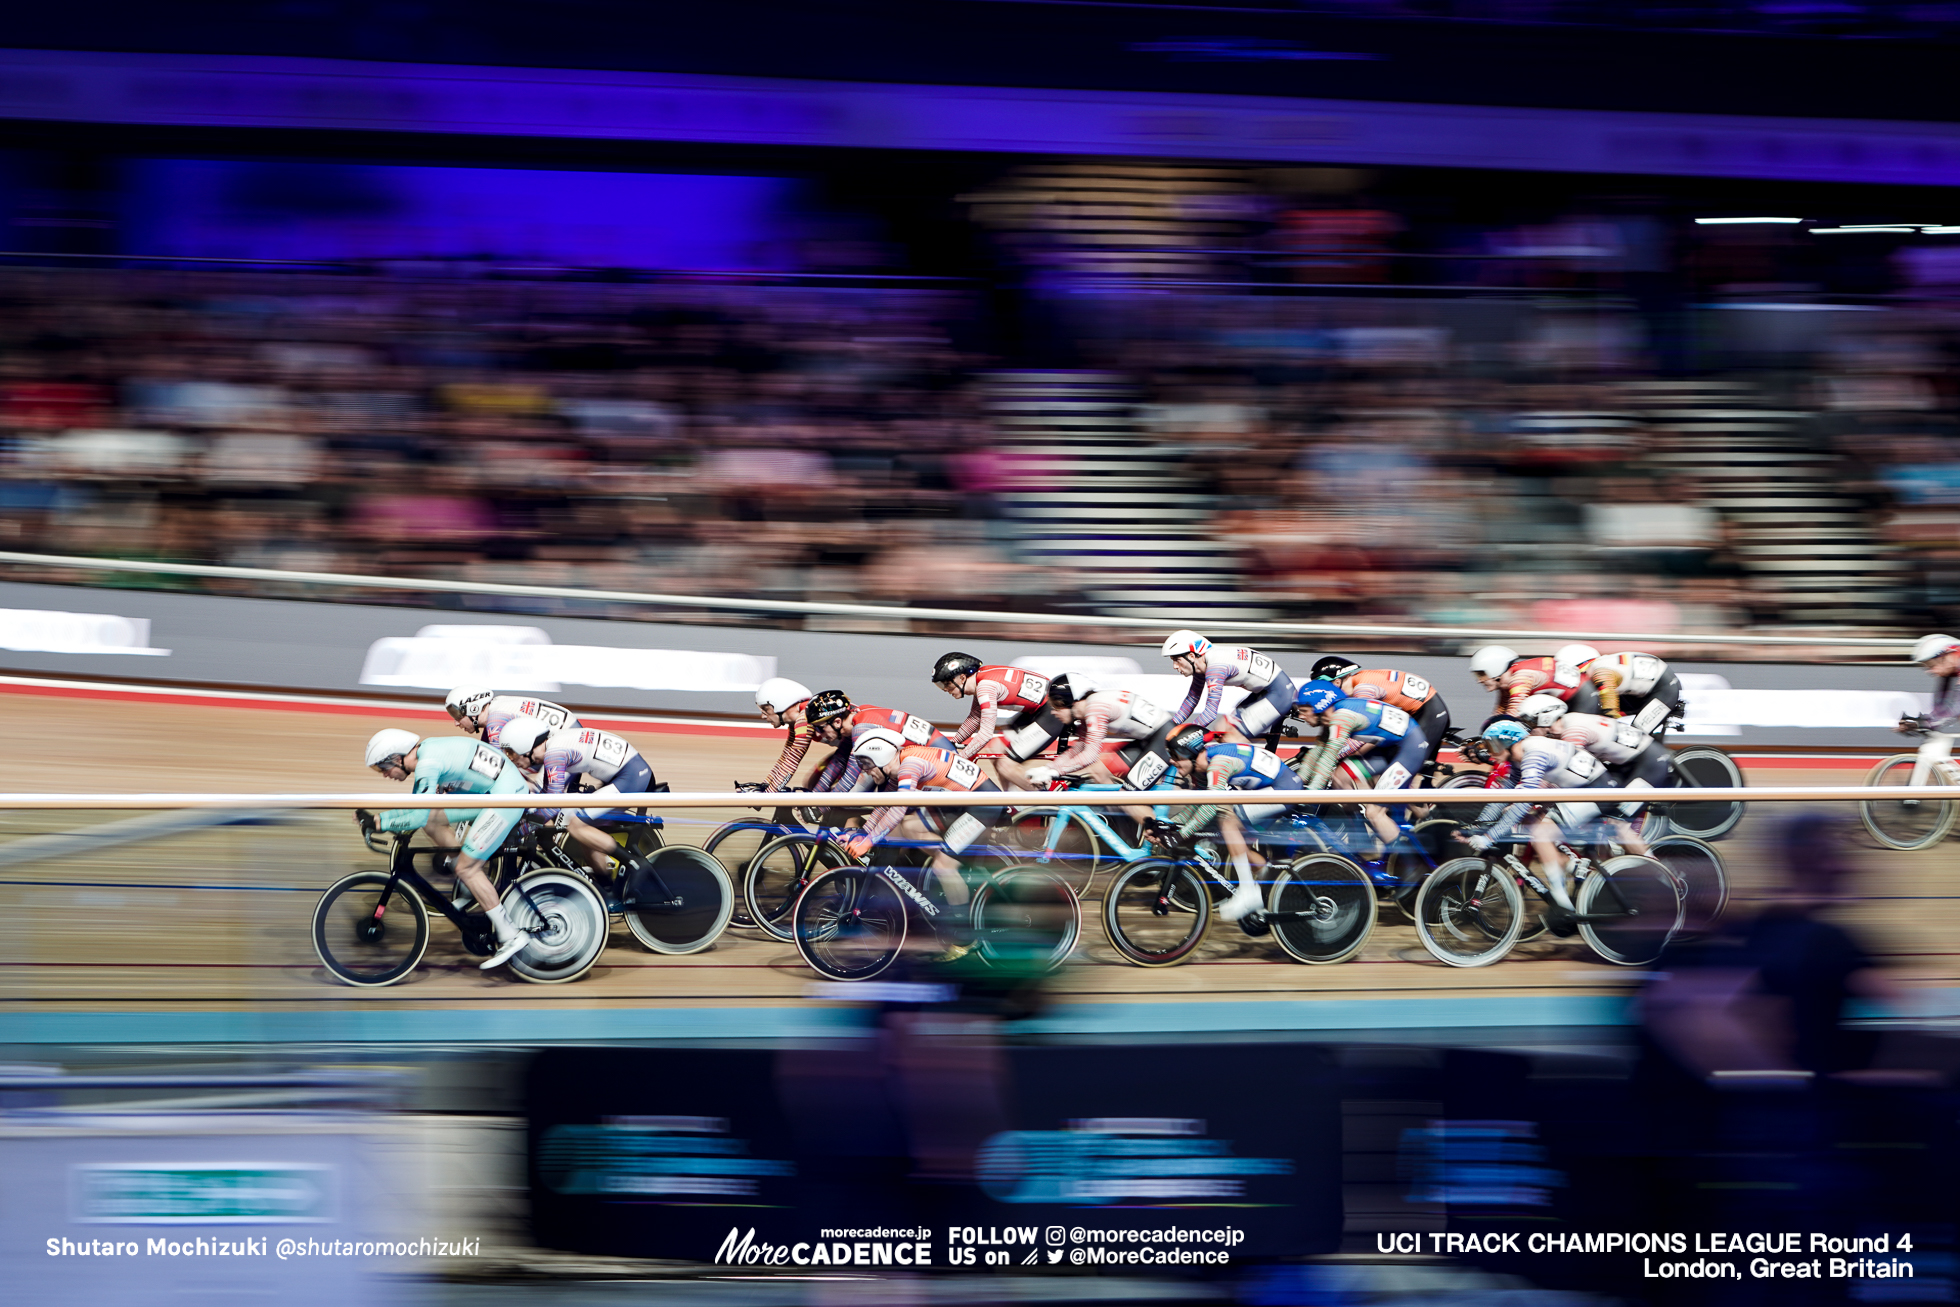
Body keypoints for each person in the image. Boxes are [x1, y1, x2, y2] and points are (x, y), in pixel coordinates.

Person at [358, 727, 534, 971]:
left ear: (397, 757)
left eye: (383, 768)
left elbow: (417, 815)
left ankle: (511, 935)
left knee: (467, 868)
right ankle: (472, 886)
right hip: (494, 792)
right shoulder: (428, 754)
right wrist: (380, 819)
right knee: (433, 822)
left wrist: (381, 822)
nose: (384, 775)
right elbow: (420, 811)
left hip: (506, 798)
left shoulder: (428, 763)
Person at [842, 727, 1008, 927]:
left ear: (879, 758)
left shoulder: (909, 766)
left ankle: (963, 933)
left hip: (982, 805)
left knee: (943, 866)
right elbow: (885, 805)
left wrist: (869, 841)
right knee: (909, 826)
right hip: (958, 803)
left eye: (866, 764)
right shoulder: (899, 763)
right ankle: (953, 864)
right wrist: (863, 834)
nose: (864, 771)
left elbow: (898, 808)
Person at [1460, 716, 1614, 922]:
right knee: (1531, 822)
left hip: (1597, 792)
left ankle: (1563, 904)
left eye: (1492, 745)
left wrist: (1489, 838)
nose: (1489, 751)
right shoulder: (1518, 757)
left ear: (1507, 742)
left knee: (1540, 832)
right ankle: (1568, 864)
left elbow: (1523, 800)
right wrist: (1478, 826)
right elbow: (1502, 797)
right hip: (1580, 791)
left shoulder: (1533, 753)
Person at [494, 715, 664, 898]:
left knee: (575, 825)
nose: (510, 758)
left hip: (630, 777)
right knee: (584, 833)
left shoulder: (555, 754)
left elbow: (551, 806)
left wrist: (521, 830)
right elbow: (545, 794)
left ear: (524, 745)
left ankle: (636, 865)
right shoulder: (554, 748)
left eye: (510, 752)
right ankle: (606, 889)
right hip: (625, 774)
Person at [1158, 725, 1307, 923]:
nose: (1171, 760)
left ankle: (1248, 892)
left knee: (1226, 818)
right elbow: (1197, 806)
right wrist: (1170, 825)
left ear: (1192, 753)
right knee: (1230, 832)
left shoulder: (1218, 765)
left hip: (1285, 789)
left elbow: (1210, 808)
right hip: (1275, 788)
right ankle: (1266, 877)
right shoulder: (1203, 768)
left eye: (1175, 756)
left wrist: (1181, 834)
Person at [1291, 680, 1430, 862]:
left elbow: (1328, 757)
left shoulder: (1342, 717)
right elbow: (1315, 755)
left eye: (1303, 710)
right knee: (1339, 778)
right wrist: (1295, 783)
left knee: (1374, 812)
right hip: (1390, 748)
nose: (1301, 716)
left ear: (1319, 705)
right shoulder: (1331, 717)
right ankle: (1365, 844)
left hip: (1409, 747)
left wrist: (1310, 793)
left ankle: (1411, 866)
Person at [1514, 693, 1671, 854]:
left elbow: (1571, 773)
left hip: (1649, 765)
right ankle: (1607, 872)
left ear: (1544, 719)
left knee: (1617, 825)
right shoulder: (1569, 721)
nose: (1528, 730)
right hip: (1630, 764)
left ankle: (1659, 872)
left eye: (1529, 723)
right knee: (1599, 820)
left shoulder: (1573, 731)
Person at [1005, 675, 1173, 813]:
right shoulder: (1086, 710)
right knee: (1100, 773)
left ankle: (1153, 834)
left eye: (1057, 705)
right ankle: (1120, 824)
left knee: (1126, 798)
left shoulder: (1095, 707)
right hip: (1148, 739)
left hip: (1163, 739)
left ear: (1072, 702)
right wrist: (1048, 769)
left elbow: (1090, 755)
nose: (1054, 712)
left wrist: (1055, 772)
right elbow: (1078, 748)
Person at [1313, 655, 1452, 770]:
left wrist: (1330, 755)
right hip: (1417, 709)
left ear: (1337, 682)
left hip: (1430, 712)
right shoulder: (1359, 681)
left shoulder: (1363, 690)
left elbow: (1360, 738)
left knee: (1397, 762)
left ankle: (1412, 801)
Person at [804, 690, 956, 793]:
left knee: (864, 794)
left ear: (836, 722)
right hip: (930, 760)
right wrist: (817, 796)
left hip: (938, 768)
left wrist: (820, 806)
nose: (819, 734)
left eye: (819, 728)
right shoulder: (857, 718)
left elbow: (851, 776)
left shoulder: (862, 728)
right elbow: (838, 761)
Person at [1161, 629, 1296, 744]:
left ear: (1191, 656)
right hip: (1264, 691)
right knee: (1223, 730)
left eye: (1177, 660)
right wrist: (1171, 726)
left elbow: (1210, 713)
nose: (1175, 666)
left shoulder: (1215, 667)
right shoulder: (1201, 664)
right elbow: (1192, 700)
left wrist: (1184, 736)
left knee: (1231, 738)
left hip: (1279, 694)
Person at [932, 652, 1054, 763]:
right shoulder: (980, 680)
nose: (945, 689)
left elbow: (985, 734)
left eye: (947, 684)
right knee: (996, 750)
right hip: (1037, 710)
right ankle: (1010, 788)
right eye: (941, 685)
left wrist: (959, 760)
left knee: (1006, 764)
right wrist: (953, 742)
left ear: (962, 678)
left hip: (1051, 711)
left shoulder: (985, 688)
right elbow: (974, 719)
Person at [1560, 646, 1686, 736]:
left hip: (1663, 690)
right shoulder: (1602, 665)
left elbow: (1609, 708)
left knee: (1636, 738)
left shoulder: (1600, 672)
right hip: (1646, 689)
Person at [446, 687, 582, 761]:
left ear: (473, 708)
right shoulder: (496, 707)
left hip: (569, 743)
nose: (456, 723)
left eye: (456, 714)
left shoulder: (496, 719)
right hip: (571, 735)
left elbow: (496, 765)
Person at [1468, 646, 1599, 718]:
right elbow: (1500, 712)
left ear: (1494, 668)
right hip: (1576, 696)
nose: (1479, 681)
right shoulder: (1508, 680)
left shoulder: (1520, 678)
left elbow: (1513, 714)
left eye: (1481, 674)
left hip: (1583, 698)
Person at [1900, 633, 1960, 786]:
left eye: (1931, 664)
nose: (1929, 671)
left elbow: (1956, 709)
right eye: (1926, 666)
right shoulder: (1950, 669)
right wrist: (1924, 721)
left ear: (1946, 656)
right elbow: (1940, 707)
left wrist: (1927, 723)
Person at [755, 677, 816, 792]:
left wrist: (769, 794)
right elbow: (785, 757)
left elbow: (792, 762)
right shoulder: (796, 721)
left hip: (852, 749)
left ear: (781, 704)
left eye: (765, 709)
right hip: (850, 748)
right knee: (812, 784)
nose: (762, 716)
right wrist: (765, 785)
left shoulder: (804, 719)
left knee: (817, 786)